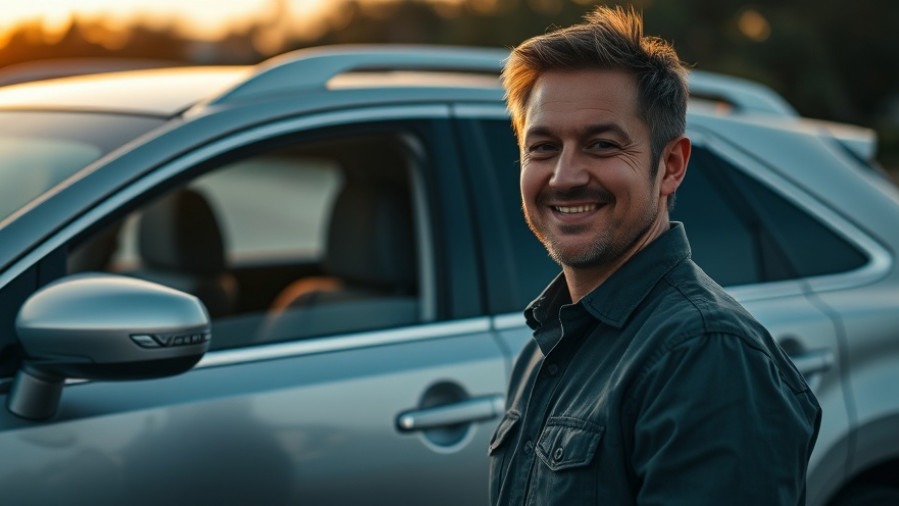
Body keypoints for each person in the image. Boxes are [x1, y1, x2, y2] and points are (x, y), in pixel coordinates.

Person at [489, 6, 821, 505]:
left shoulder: (704, 353)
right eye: (543, 147)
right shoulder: (548, 346)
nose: (564, 176)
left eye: (602, 145)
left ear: (670, 166)